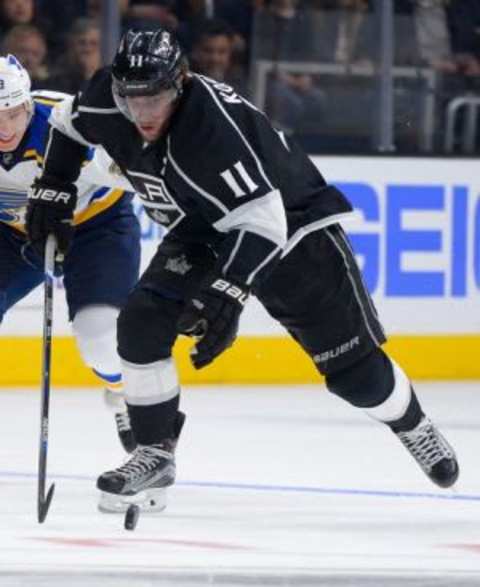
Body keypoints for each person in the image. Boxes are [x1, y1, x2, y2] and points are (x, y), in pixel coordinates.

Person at [25, 29, 459, 510]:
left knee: (355, 375)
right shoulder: (107, 96)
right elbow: (66, 125)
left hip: (293, 230)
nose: (143, 115)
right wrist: (55, 186)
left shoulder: (211, 129)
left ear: (182, 83)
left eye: (157, 99)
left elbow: (265, 219)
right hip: (204, 224)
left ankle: (411, 424)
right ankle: (154, 451)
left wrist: (228, 294)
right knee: (141, 321)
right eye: (132, 101)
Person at [0, 55, 141, 471]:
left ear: (29, 103)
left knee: (99, 336)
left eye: (13, 112)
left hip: (97, 228)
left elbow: (137, 166)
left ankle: (122, 393)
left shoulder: (70, 119)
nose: (5, 128)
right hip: (12, 233)